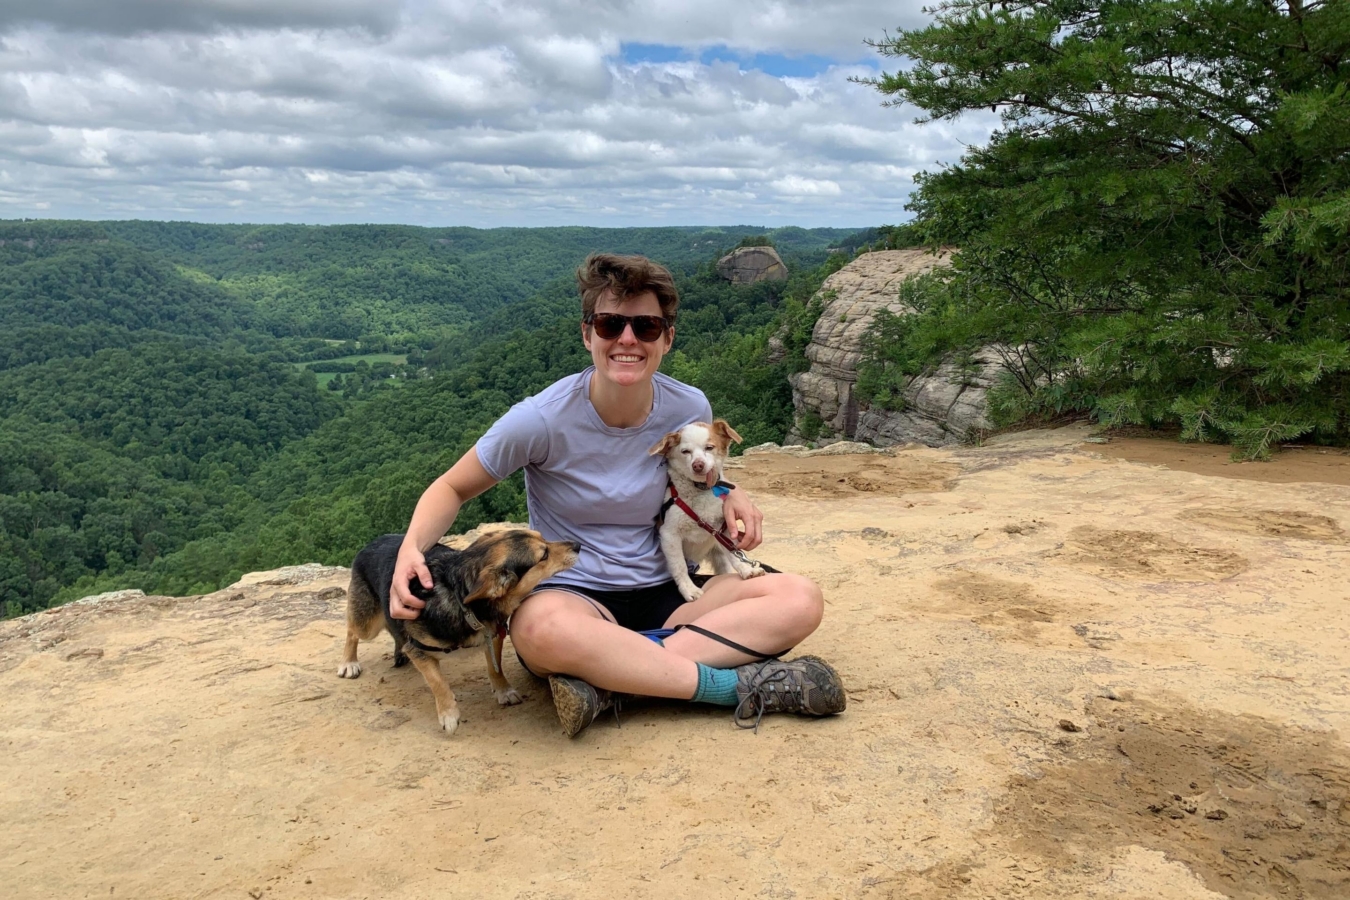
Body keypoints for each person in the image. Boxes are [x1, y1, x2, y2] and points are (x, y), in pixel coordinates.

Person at [388, 253, 845, 737]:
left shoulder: (689, 405)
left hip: (672, 588)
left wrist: (731, 489)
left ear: (667, 338)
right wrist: (409, 551)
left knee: (799, 598)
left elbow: (701, 473)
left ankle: (613, 678)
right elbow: (452, 486)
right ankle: (728, 686)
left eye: (646, 327)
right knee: (540, 631)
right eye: (610, 324)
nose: (627, 339)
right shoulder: (541, 418)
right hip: (576, 594)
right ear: (588, 334)